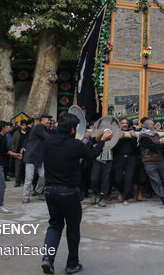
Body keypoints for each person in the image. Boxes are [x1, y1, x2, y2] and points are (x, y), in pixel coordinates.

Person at [40, 113, 113, 275]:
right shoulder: (74, 145)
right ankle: (72, 264)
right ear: (73, 130)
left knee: (55, 225)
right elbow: (92, 155)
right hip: (69, 192)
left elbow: (82, 149)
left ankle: (47, 259)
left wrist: (95, 139)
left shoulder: (48, 141)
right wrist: (102, 141)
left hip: (50, 191)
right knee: (72, 229)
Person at [139, 119, 164, 209]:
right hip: (149, 162)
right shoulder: (143, 136)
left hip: (160, 160)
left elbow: (159, 146)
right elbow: (153, 146)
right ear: (148, 127)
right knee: (157, 182)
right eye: (153, 125)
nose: (154, 126)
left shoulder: (156, 134)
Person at [23, 115, 52, 203]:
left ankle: (38, 191)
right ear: (42, 120)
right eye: (48, 120)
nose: (50, 121)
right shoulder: (39, 127)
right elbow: (48, 138)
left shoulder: (43, 128)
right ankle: (26, 196)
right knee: (29, 178)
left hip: (40, 157)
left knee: (43, 175)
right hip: (31, 156)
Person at [112, 118, 137, 206]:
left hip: (130, 158)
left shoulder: (132, 132)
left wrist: (134, 137)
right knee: (118, 179)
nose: (124, 125)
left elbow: (135, 147)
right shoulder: (116, 133)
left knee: (128, 179)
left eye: (126, 123)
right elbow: (113, 148)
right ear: (120, 125)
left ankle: (125, 198)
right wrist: (119, 139)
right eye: (122, 123)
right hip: (119, 158)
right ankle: (121, 192)